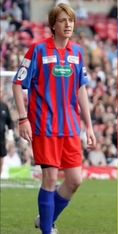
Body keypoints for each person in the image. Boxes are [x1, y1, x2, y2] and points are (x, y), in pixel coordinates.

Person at [12, 3, 96, 234]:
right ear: (53, 25)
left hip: (70, 127)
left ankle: (46, 220)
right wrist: (22, 119)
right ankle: (47, 230)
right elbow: (18, 84)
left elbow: (81, 90)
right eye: (62, 20)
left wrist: (88, 126)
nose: (68, 24)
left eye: (70, 20)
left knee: (75, 180)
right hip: (44, 126)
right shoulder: (38, 50)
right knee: (49, 180)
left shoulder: (77, 52)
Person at [0, 99, 14, 176]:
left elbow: (10, 122)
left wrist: (10, 136)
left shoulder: (4, 106)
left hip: (1, 137)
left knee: (1, 156)